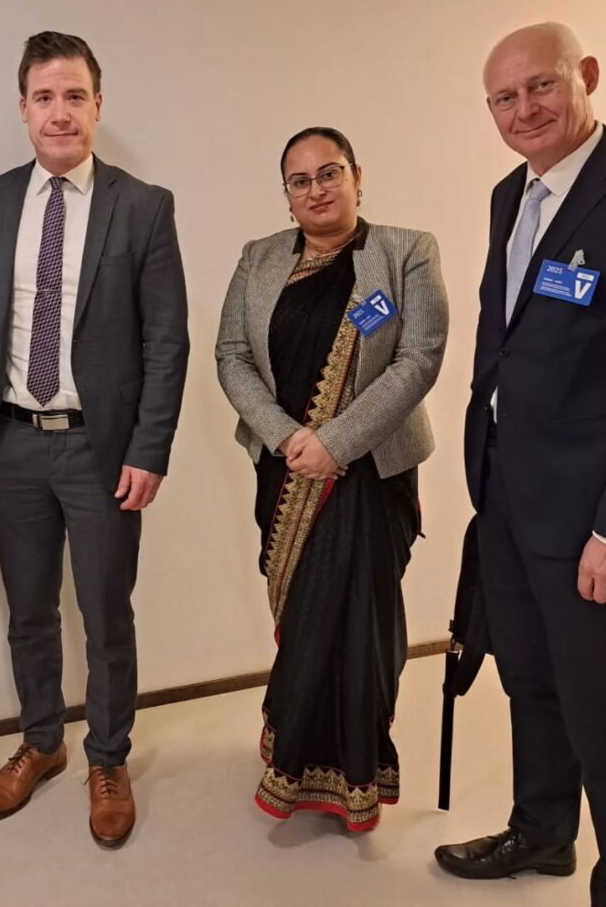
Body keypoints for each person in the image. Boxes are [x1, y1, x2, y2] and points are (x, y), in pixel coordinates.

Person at [434, 23, 606, 907]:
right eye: (504, 98)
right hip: (508, 490)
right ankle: (543, 834)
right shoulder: (512, 194)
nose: (524, 110)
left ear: (587, 77)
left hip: (591, 515)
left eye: (541, 86)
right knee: (530, 679)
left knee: (602, 711)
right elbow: (507, 337)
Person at [0, 31, 189, 848]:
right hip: (9, 444)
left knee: (105, 614)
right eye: (45, 97)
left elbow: (166, 338)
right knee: (28, 610)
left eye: (75, 96)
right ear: (23, 109)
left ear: (98, 106)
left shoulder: (142, 205)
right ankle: (42, 740)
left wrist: (149, 448)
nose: (60, 112)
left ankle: (108, 757)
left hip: (101, 451)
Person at [215, 127, 448, 830]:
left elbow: (419, 358)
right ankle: (295, 753)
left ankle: (356, 773)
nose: (316, 189)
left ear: (357, 177)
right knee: (305, 616)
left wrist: (336, 444)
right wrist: (291, 438)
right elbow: (231, 356)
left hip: (371, 476)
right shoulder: (259, 259)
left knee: (359, 622)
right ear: (286, 195)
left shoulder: (406, 251)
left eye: (329, 172)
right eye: (301, 180)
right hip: (285, 470)